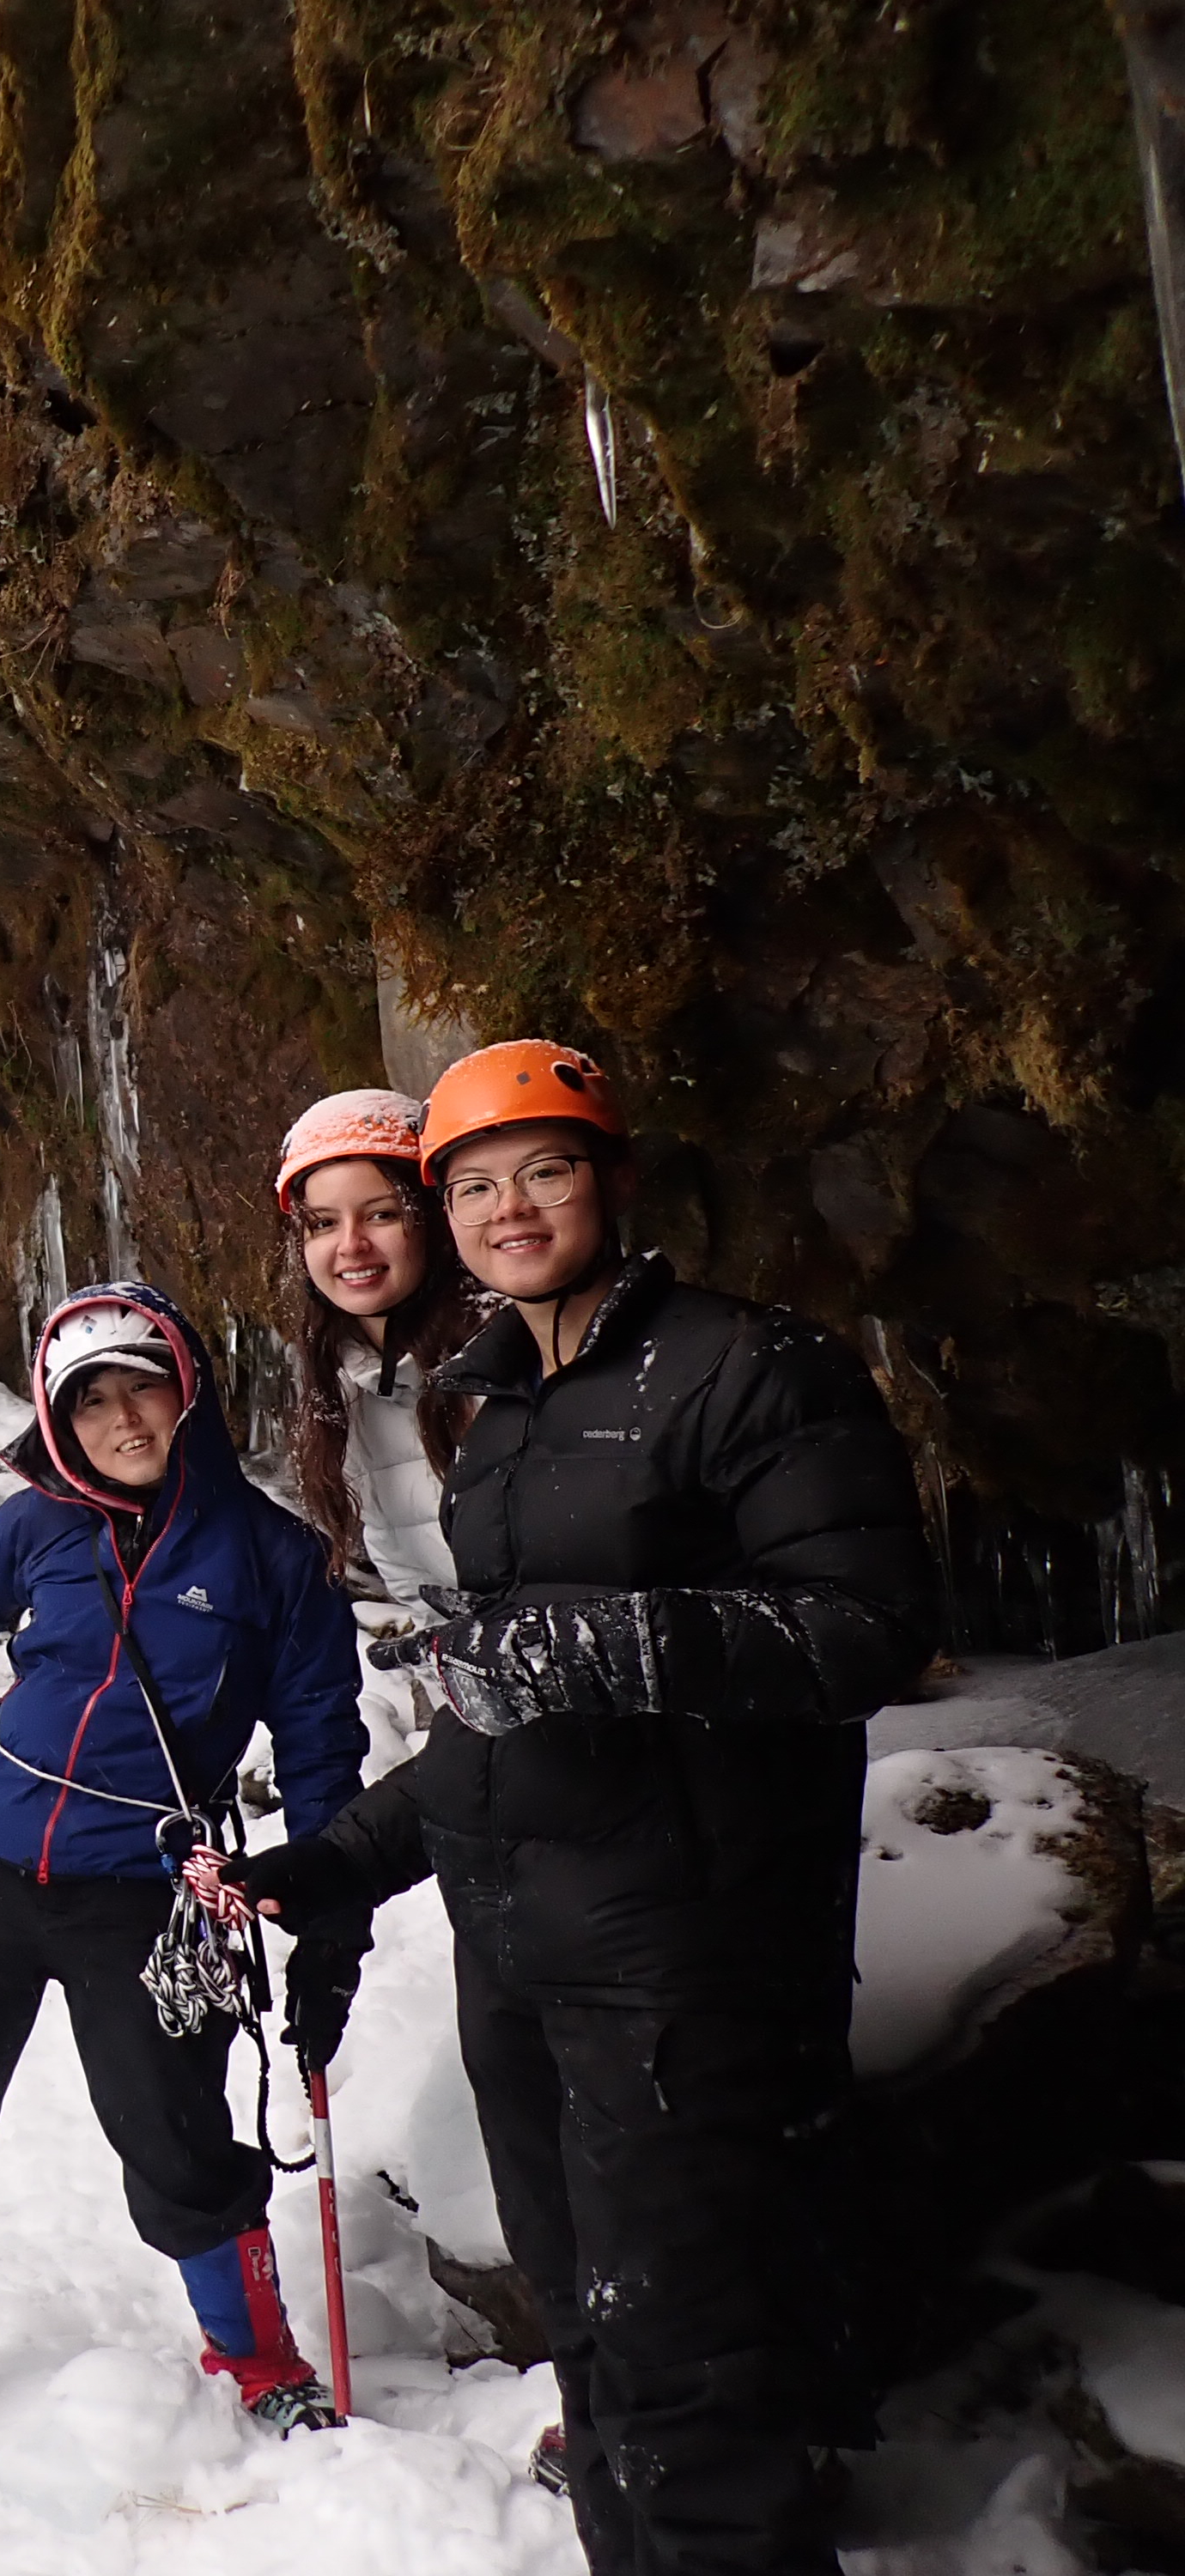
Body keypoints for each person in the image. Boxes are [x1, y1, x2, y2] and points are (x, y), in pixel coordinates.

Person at [228, 1041, 939, 2576]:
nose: (507, 1208)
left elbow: (867, 1629)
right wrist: (331, 1870)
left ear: (611, 1181)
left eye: (542, 1170)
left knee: (688, 2385)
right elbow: (498, 1724)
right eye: (473, 1185)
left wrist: (610, 1641)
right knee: (603, 2367)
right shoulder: (501, 1418)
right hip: (525, 1963)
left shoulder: (749, 1367)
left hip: (679, 1958)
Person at [0, 1283, 372, 2564]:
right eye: (92, 1398)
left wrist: (329, 1896)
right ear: (62, 1423)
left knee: (178, 2142)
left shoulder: (272, 1560)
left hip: (143, 1893)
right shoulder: (37, 1526)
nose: (124, 1415)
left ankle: (259, 2361)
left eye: (142, 1385)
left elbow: (319, 1740)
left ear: (188, 1389)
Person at [272, 1089, 487, 1764]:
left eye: (382, 1214)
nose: (351, 1246)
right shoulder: (346, 1385)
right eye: (321, 1224)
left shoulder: (508, 1359)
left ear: (433, 1218)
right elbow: (420, 1588)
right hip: (481, 1712)